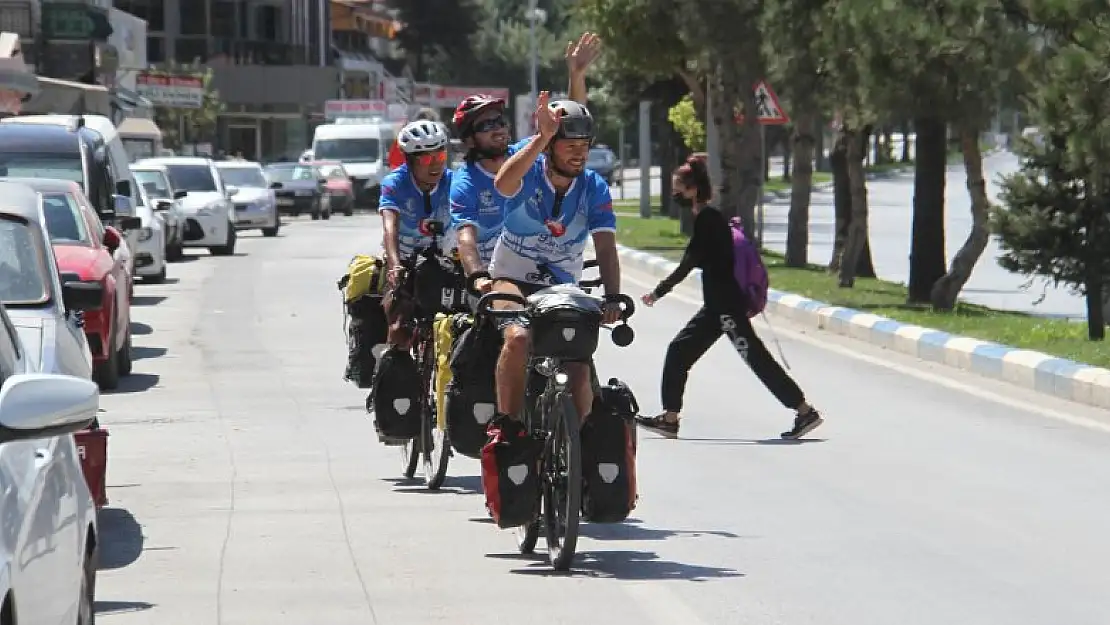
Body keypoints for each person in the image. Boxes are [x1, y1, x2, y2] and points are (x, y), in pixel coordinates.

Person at [456, 92, 621, 430]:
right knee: (517, 339)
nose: (579, 153)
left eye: (585, 145)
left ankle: (579, 451)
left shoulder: (594, 187)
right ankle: (508, 428)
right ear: (549, 147)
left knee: (577, 366)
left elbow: (606, 247)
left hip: (562, 287)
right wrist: (543, 134)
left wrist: (614, 297)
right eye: (569, 145)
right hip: (511, 278)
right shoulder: (529, 174)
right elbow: (502, 182)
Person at [635, 157, 824, 440]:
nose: (675, 194)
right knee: (678, 353)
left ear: (693, 189)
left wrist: (659, 292)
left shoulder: (709, 221)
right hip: (716, 308)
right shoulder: (707, 218)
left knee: (757, 359)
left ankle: (804, 410)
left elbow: (689, 262)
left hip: (725, 308)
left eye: (678, 189)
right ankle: (669, 419)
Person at [450, 32, 603, 268]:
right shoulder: (465, 183)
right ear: (469, 140)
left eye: (500, 121)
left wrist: (577, 75)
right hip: (482, 277)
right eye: (486, 125)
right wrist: (478, 278)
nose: (498, 129)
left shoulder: (525, 154)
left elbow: (568, 127)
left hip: (529, 273)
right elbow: (465, 239)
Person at [378, 119, 455, 350]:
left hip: (445, 261)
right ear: (410, 161)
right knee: (398, 326)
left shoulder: (455, 182)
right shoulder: (395, 183)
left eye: (439, 157)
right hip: (405, 262)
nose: (435, 166)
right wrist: (394, 265)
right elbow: (389, 227)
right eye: (425, 159)